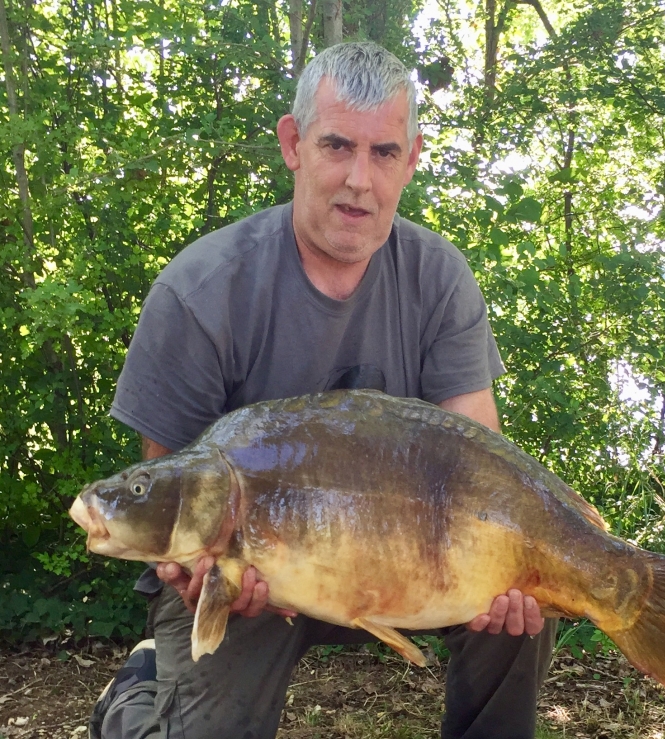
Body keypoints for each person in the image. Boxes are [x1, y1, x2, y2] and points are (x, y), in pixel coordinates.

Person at [93, 41, 558, 739]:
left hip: (404, 566)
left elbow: (480, 461)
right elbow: (177, 518)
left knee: (523, 613)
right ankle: (133, 701)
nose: (359, 182)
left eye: (383, 153)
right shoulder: (199, 291)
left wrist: (520, 567)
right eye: (337, 145)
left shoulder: (439, 278)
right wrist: (196, 568)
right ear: (294, 143)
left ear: (413, 158)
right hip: (255, 579)